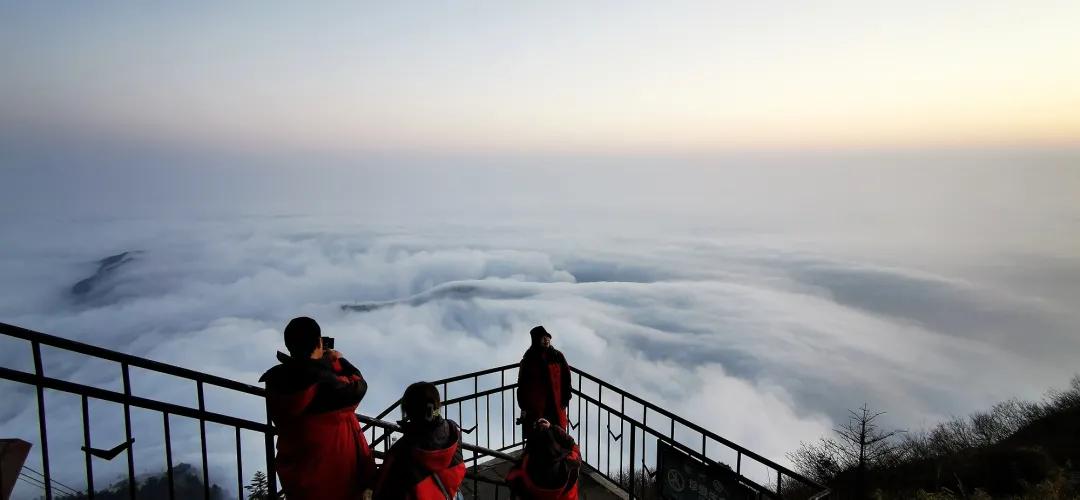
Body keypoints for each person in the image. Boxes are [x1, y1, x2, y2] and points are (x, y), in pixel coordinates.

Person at [259, 316, 376, 500]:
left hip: (300, 483)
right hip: (334, 482)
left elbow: (307, 374)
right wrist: (338, 360)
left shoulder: (278, 381)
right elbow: (358, 385)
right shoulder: (324, 386)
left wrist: (322, 365)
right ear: (319, 342)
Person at [373, 382, 466, 500]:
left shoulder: (400, 452)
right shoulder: (453, 435)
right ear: (437, 406)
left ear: (408, 411)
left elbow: (383, 492)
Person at [506, 418, 581, 500]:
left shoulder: (526, 470)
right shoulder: (569, 464)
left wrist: (525, 455)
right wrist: (552, 428)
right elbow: (575, 450)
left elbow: (510, 478)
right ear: (553, 448)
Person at [517, 325, 572, 431]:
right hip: (536, 405)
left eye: (547, 337)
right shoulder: (529, 359)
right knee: (539, 432)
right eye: (543, 337)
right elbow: (522, 383)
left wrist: (566, 396)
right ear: (536, 340)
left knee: (557, 431)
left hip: (556, 402)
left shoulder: (557, 355)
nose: (546, 340)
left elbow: (566, 376)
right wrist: (523, 406)